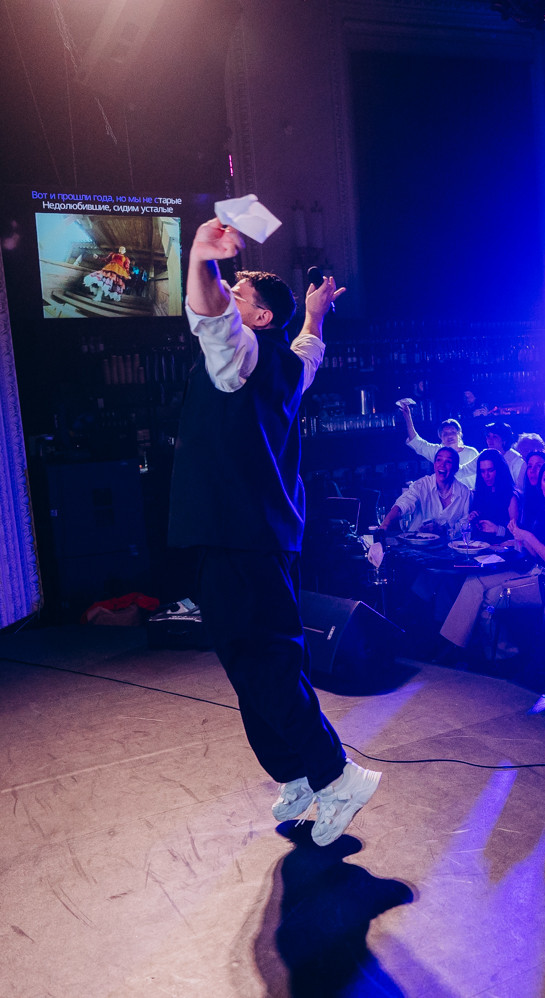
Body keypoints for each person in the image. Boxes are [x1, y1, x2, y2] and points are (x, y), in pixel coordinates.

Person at [167, 217, 378, 847]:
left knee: (264, 666)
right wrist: (315, 314)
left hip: (243, 538)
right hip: (252, 537)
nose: (227, 297)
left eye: (239, 295)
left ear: (258, 320)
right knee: (252, 665)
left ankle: (337, 775)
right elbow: (310, 350)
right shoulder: (288, 363)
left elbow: (211, 319)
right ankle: (298, 774)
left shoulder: (240, 356)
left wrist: (202, 258)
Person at [438, 457, 545, 650]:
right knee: (473, 581)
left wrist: (527, 536)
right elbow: (535, 554)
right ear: (541, 483)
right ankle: (453, 645)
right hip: (533, 570)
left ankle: (502, 654)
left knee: (489, 599)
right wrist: (518, 537)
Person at [379, 446, 472, 534]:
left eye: (448, 462)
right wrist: (385, 524)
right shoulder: (422, 485)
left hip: (448, 545)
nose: (442, 465)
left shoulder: (465, 493)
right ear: (434, 464)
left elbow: (465, 525)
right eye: (439, 460)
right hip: (416, 542)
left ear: (456, 468)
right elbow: (403, 504)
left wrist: (444, 530)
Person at [399, 403, 479, 488]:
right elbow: (416, 442)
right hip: (447, 495)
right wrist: (408, 418)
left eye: (452, 432)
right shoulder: (438, 452)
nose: (449, 436)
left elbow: (481, 474)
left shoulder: (471, 452)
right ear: (441, 437)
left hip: (470, 494)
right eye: (445, 434)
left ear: (459, 434)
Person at [468, 448, 520, 541]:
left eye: (490, 470)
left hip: (502, 547)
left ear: (500, 470)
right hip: (480, 544)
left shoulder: (511, 496)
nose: (486, 475)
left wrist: (497, 529)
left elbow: (517, 534)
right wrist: (473, 519)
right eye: (482, 471)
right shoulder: (479, 493)